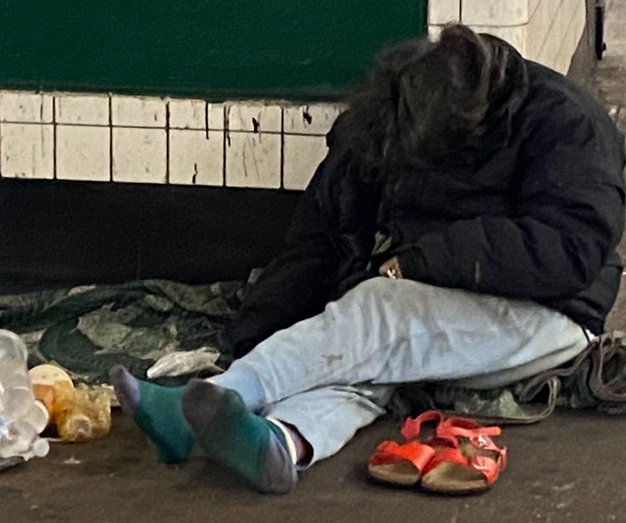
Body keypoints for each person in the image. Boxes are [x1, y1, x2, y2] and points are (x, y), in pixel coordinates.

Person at [110, 24, 626, 494]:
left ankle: (203, 402)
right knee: (367, 356)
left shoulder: (566, 123)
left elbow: (570, 251)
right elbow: (317, 237)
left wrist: (419, 262)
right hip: (435, 294)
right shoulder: (389, 117)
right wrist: (257, 334)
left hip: (551, 307)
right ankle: (283, 441)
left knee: (380, 312)